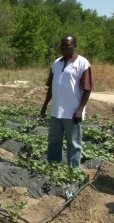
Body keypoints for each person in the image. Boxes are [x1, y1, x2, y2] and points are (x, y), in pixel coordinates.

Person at [41, 34, 94, 168]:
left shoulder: (82, 63)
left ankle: (73, 170)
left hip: (72, 112)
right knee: (54, 141)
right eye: (62, 45)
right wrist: (45, 105)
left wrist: (80, 109)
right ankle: (53, 167)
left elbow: (87, 88)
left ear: (74, 46)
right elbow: (52, 87)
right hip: (56, 111)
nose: (63, 48)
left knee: (74, 143)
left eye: (67, 45)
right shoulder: (56, 63)